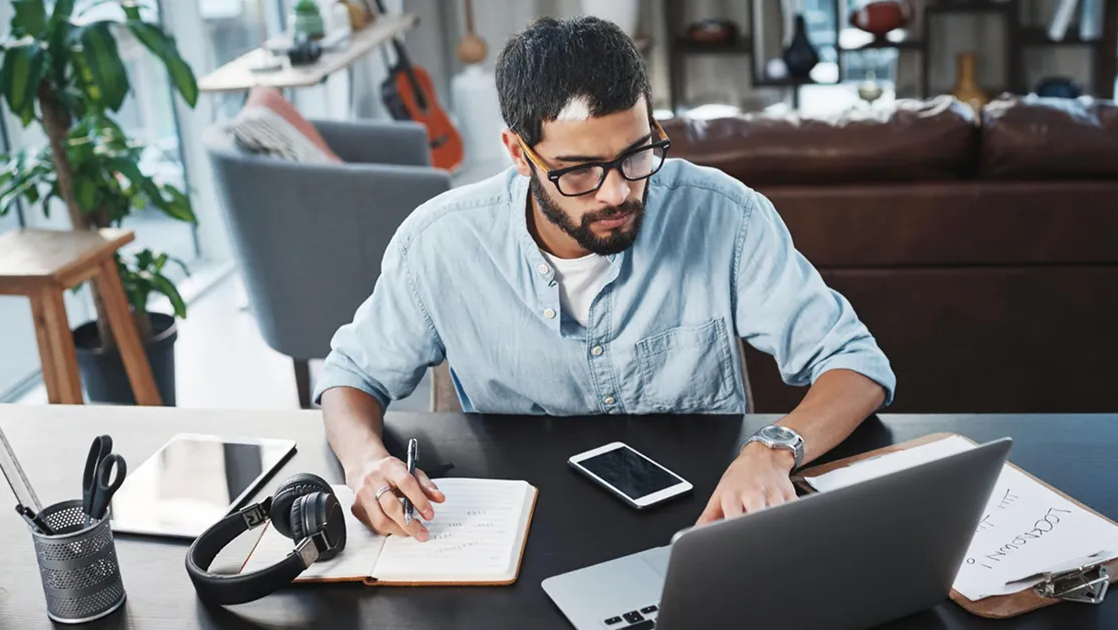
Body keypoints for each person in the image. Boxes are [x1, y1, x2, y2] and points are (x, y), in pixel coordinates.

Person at [316, 16, 895, 542]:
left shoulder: (725, 215)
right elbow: (352, 377)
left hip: (700, 528)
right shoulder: (439, 242)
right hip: (511, 534)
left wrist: (775, 448)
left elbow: (857, 365)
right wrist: (365, 461)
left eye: (637, 155)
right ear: (519, 154)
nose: (618, 192)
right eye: (580, 172)